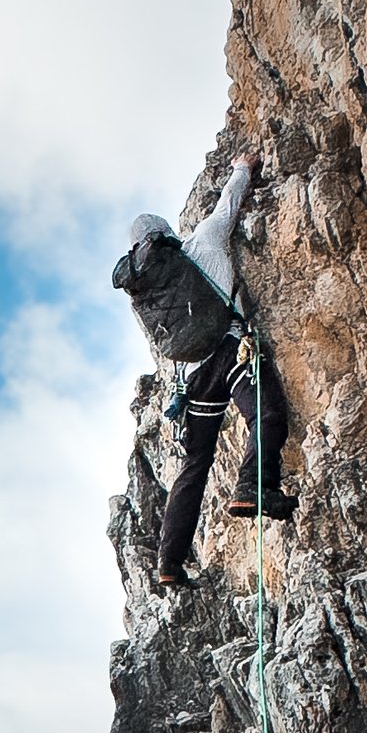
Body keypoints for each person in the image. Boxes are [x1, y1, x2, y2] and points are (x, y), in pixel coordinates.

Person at [111, 155, 293, 589]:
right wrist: (242, 167)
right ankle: (253, 487)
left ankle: (169, 562)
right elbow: (228, 205)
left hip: (191, 379)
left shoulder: (145, 291)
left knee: (195, 464)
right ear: (167, 235)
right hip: (230, 352)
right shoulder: (202, 244)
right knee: (265, 416)